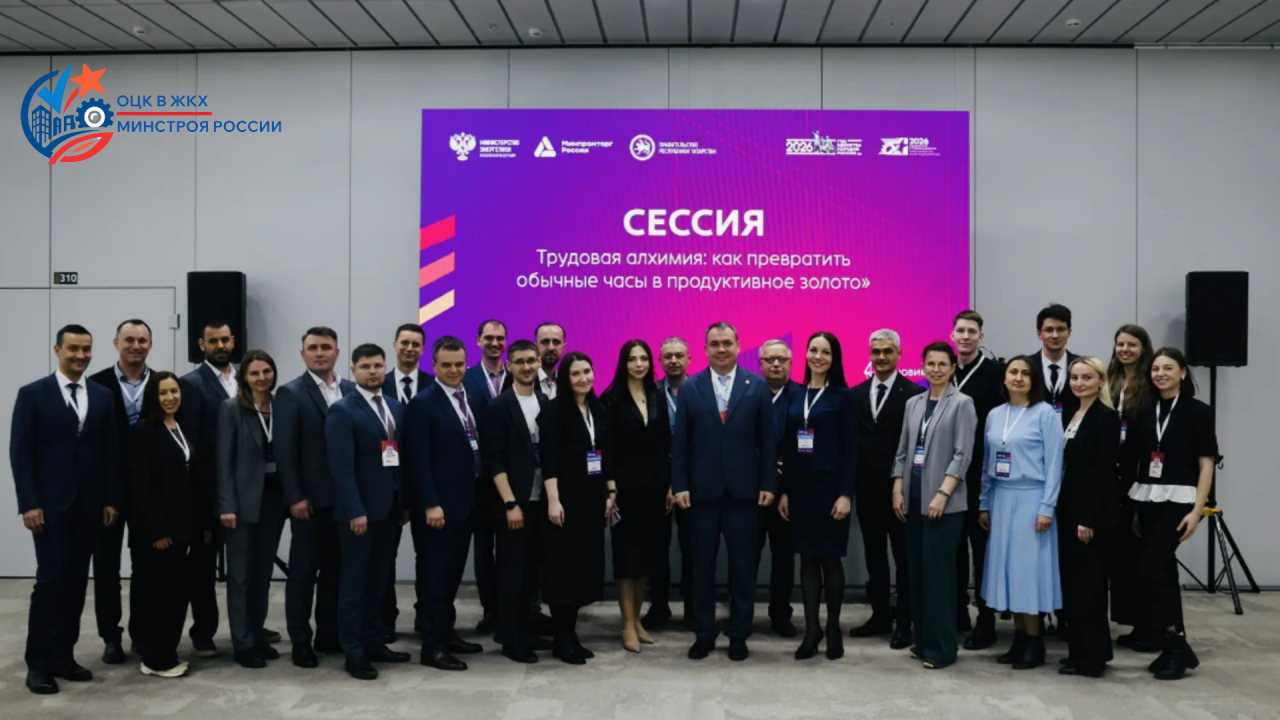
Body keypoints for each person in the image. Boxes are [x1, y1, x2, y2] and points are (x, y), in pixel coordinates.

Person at [10, 325, 120, 695]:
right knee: (50, 582)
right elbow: (21, 453)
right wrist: (29, 503)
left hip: (89, 507)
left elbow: (110, 453)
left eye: (86, 349)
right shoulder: (32, 394)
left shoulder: (103, 396)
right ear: (57, 350)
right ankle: (38, 664)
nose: (80, 355)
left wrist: (110, 498)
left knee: (75, 584)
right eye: (73, 349)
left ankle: (63, 656)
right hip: (49, 508)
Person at [673, 322, 777, 662]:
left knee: (743, 568)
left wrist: (768, 484)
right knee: (701, 567)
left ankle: (738, 634)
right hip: (701, 494)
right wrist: (680, 485)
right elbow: (681, 443)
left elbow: (768, 441)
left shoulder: (757, 385)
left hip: (744, 494)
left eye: (727, 343)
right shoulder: (691, 387)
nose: (721, 349)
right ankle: (704, 633)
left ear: (738, 346)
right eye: (715, 344)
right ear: (704, 349)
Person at [1130, 347, 1216, 680]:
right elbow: (1139, 458)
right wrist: (1136, 509)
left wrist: (1197, 511)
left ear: (1182, 372)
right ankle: (1174, 645)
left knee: (1151, 567)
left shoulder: (1198, 411)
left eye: (1168, 368)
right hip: (1147, 497)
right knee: (1164, 570)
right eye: (1155, 369)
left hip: (1181, 501)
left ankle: (1175, 641)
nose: (1161, 374)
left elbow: (1206, 464)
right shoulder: (1144, 409)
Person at [326, 344, 411, 680]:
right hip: (359, 515)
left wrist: (403, 504)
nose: (373, 372)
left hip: (389, 511)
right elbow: (341, 468)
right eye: (365, 366)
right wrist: (355, 511)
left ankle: (375, 643)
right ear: (354, 370)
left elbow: (398, 459)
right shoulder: (342, 411)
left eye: (377, 366)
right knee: (354, 586)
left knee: (379, 582)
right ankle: (354, 652)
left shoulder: (394, 406)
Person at [892, 341, 976, 670]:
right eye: (931, 364)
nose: (936, 369)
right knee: (917, 574)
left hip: (944, 503)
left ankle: (942, 648)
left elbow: (963, 455)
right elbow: (903, 450)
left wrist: (942, 494)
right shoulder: (913, 403)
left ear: (953, 367)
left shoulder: (962, 403)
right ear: (923, 366)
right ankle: (923, 641)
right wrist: (897, 488)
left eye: (943, 364)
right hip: (913, 499)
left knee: (939, 577)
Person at [405, 336, 487, 671]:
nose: (454, 370)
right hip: (438, 508)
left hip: (466, 503)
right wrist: (430, 504)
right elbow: (418, 460)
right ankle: (432, 647)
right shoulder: (423, 403)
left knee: (451, 575)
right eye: (446, 365)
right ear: (434, 365)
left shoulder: (472, 397)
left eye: (459, 364)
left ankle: (446, 633)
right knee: (434, 578)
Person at [275, 327, 356, 666]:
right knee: (303, 575)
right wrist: (295, 496)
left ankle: (328, 634)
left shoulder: (350, 390)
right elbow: (284, 450)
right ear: (303, 354)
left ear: (337, 352)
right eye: (313, 348)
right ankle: (300, 642)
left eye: (326, 347)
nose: (319, 353)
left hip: (344, 502)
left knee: (336, 572)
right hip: (308, 503)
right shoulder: (290, 393)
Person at [978, 355, 1064, 671]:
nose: (1018, 377)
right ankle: (1018, 637)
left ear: (1034, 379)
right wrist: (984, 502)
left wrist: (1047, 507)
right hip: (1001, 498)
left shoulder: (1045, 414)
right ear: (1005, 378)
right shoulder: (995, 414)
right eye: (1013, 372)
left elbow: (1055, 465)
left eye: (1025, 373)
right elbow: (988, 462)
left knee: (1028, 573)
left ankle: (1034, 641)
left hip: (1032, 499)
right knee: (1007, 572)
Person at [779, 332, 857, 660]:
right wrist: (785, 491)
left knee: (829, 559)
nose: (818, 356)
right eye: (813, 350)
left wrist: (845, 494)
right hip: (800, 489)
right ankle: (812, 630)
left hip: (831, 490)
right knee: (807, 559)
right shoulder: (794, 393)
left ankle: (833, 627)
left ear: (834, 358)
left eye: (825, 352)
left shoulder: (844, 396)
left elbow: (851, 450)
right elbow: (787, 445)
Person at [130, 372, 211, 678]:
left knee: (176, 594)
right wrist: (158, 530)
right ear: (153, 396)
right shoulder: (143, 432)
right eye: (163, 392)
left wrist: (203, 524)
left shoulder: (181, 427)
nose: (170, 397)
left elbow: (195, 481)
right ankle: (155, 660)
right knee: (159, 595)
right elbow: (142, 487)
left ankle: (166, 652)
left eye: (174, 391)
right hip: (159, 533)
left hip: (184, 528)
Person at [480, 340, 553, 663]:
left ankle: (527, 630)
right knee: (511, 572)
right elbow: (493, 460)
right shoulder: (498, 407)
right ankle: (510, 637)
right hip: (514, 503)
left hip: (540, 501)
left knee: (532, 570)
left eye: (530, 361)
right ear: (509, 366)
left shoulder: (545, 401)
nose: (526, 367)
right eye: (519, 362)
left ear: (538, 363)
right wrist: (510, 503)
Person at [851, 329, 924, 648]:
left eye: (887, 351)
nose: (881, 357)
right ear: (869, 354)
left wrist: (903, 485)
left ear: (899, 354)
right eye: (876, 351)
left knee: (904, 559)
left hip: (900, 491)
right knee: (874, 557)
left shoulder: (914, 394)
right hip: (866, 490)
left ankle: (904, 623)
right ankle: (880, 616)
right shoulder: (856, 393)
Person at [540, 352, 614, 664]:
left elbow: (606, 453)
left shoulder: (598, 408)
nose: (583, 378)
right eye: (575, 374)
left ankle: (569, 637)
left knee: (583, 569)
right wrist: (553, 500)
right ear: (565, 379)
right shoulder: (554, 411)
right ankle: (564, 639)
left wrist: (611, 491)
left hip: (592, 499)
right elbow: (548, 459)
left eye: (587, 371)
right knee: (563, 572)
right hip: (565, 499)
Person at [86, 318, 152, 665]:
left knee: (145, 566)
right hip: (107, 492)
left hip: (148, 492)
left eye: (142, 340)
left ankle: (141, 633)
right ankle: (111, 637)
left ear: (150, 345)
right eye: (129, 340)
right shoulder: (95, 384)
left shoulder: (162, 384)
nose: (135, 346)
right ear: (116, 344)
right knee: (107, 567)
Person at [216, 349, 287, 669]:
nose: (262, 378)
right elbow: (224, 462)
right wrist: (227, 505)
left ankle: (257, 634)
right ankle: (242, 643)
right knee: (241, 576)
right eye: (255, 373)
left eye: (266, 371)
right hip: (242, 504)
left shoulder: (281, 406)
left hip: (273, 501)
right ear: (244, 376)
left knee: (262, 574)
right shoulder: (231, 409)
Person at [177, 319, 242, 656]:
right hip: (211, 493)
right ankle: (203, 632)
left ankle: (250, 625)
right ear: (202, 345)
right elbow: (193, 448)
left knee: (248, 567)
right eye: (212, 341)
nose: (220, 346)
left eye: (224, 340)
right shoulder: (191, 384)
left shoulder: (247, 378)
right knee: (203, 569)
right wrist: (202, 505)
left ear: (233, 341)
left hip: (248, 490)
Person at [602, 340, 670, 653]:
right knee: (627, 558)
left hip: (655, 490)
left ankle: (638, 619)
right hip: (624, 492)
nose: (639, 364)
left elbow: (666, 444)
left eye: (644, 358)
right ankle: (627, 623)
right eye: (633, 359)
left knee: (647, 559)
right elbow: (606, 448)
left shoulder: (658, 395)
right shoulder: (612, 398)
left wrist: (670, 484)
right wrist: (611, 488)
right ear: (624, 363)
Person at [1058, 357, 1120, 677]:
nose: (1079, 383)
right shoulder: (1072, 413)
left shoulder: (1106, 417)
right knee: (1074, 587)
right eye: (1074, 378)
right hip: (1069, 510)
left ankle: (1092, 660)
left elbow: (1104, 473)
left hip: (1089, 516)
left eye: (1086, 378)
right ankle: (1081, 652)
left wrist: (1089, 518)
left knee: (1090, 588)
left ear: (1101, 381)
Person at [949, 310, 1005, 649]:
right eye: (961, 331)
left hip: (982, 475)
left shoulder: (996, 374)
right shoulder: (946, 371)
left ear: (981, 337)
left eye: (972, 331)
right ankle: (957, 612)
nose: (966, 336)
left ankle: (986, 620)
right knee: (954, 550)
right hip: (949, 476)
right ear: (952, 335)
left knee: (983, 551)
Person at [1106, 324, 1159, 652]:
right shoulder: (1109, 381)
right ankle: (1135, 622)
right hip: (1114, 477)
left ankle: (1151, 626)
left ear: (1143, 348)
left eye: (1132, 345)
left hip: (1141, 474)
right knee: (1123, 554)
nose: (1125, 350)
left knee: (1143, 553)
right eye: (1120, 344)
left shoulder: (1151, 383)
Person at [381, 323, 433, 642]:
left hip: (426, 487)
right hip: (389, 486)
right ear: (395, 345)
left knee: (428, 559)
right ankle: (385, 620)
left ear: (423, 349)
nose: (410, 348)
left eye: (416, 344)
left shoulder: (434, 383)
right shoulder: (379, 383)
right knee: (385, 559)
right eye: (405, 343)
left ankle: (427, 620)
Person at [462, 319, 511, 634]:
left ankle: (511, 610)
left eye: (500, 338)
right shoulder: (465, 378)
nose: (495, 343)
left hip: (512, 479)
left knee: (511, 549)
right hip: (479, 480)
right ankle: (490, 611)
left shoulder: (519, 374)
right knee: (483, 550)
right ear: (478, 340)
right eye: (489, 337)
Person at [647, 337, 691, 627]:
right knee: (656, 548)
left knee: (693, 549)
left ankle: (693, 607)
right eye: (668, 356)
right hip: (657, 481)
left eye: (679, 355)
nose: (673, 360)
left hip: (693, 481)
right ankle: (659, 606)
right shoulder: (649, 393)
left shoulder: (701, 390)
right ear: (660, 361)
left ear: (689, 358)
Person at [757, 339, 800, 638]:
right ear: (760, 363)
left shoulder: (803, 395)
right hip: (750, 489)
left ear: (790, 363)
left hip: (787, 492)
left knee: (784, 557)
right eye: (769, 360)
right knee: (746, 556)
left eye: (781, 360)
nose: (775, 364)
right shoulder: (747, 393)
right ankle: (741, 614)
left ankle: (780, 614)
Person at [1027, 303, 1080, 426]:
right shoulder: (1027, 366)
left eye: (1061, 329)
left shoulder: (1081, 365)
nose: (1055, 335)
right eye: (1049, 330)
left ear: (1069, 332)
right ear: (1039, 334)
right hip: (1035, 432)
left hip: (1073, 434)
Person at [535, 322, 566, 399]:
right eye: (545, 342)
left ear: (563, 348)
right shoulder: (522, 382)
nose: (551, 348)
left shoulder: (567, 383)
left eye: (556, 342)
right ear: (535, 347)